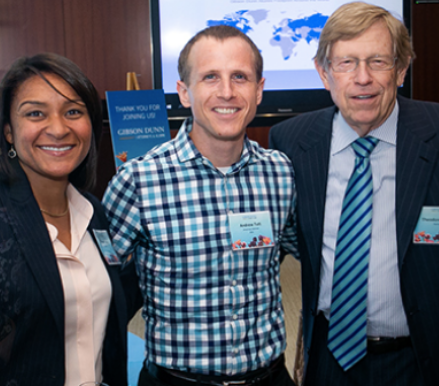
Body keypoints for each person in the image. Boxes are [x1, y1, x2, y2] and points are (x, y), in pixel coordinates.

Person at [269, 2, 439, 385]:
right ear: (324, 73)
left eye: (378, 61)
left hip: (420, 360)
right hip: (330, 359)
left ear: (401, 70)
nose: (362, 78)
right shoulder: (292, 142)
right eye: (346, 63)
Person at [102, 25, 297, 386]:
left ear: (259, 91)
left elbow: (301, 251)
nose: (227, 92)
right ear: (184, 93)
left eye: (240, 77)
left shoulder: (281, 174)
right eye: (210, 77)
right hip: (177, 381)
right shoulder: (139, 181)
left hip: (270, 378)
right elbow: (97, 286)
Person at [0, 53, 132, 386]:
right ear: (8, 131)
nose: (58, 128)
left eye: (73, 111)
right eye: (36, 113)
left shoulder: (94, 214)